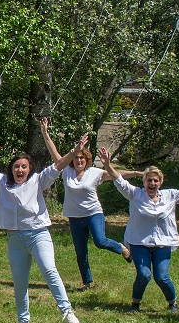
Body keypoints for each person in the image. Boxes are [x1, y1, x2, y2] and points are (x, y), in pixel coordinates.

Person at [0, 135, 87, 323]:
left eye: (24, 167)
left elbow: (58, 165)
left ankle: (66, 310)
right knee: (20, 283)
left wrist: (74, 151)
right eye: (16, 166)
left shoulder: (38, 180)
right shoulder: (3, 182)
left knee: (49, 269)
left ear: (29, 169)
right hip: (14, 239)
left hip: (38, 234)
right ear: (11, 169)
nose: (20, 170)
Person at [98, 147, 179, 313]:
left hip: (163, 242)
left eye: (155, 181)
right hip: (139, 242)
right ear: (144, 182)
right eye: (149, 180)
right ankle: (135, 304)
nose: (152, 184)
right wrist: (107, 165)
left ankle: (173, 303)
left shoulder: (170, 195)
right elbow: (119, 180)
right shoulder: (135, 194)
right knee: (144, 275)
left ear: (160, 183)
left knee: (161, 277)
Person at [40, 118, 141, 290]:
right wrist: (45, 133)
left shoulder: (95, 173)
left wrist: (138, 173)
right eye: (76, 158)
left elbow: (117, 174)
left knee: (100, 241)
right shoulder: (66, 171)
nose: (79, 160)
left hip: (93, 214)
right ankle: (87, 282)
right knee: (81, 252)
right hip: (74, 217)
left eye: (82, 158)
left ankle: (122, 248)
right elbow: (54, 152)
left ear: (87, 160)